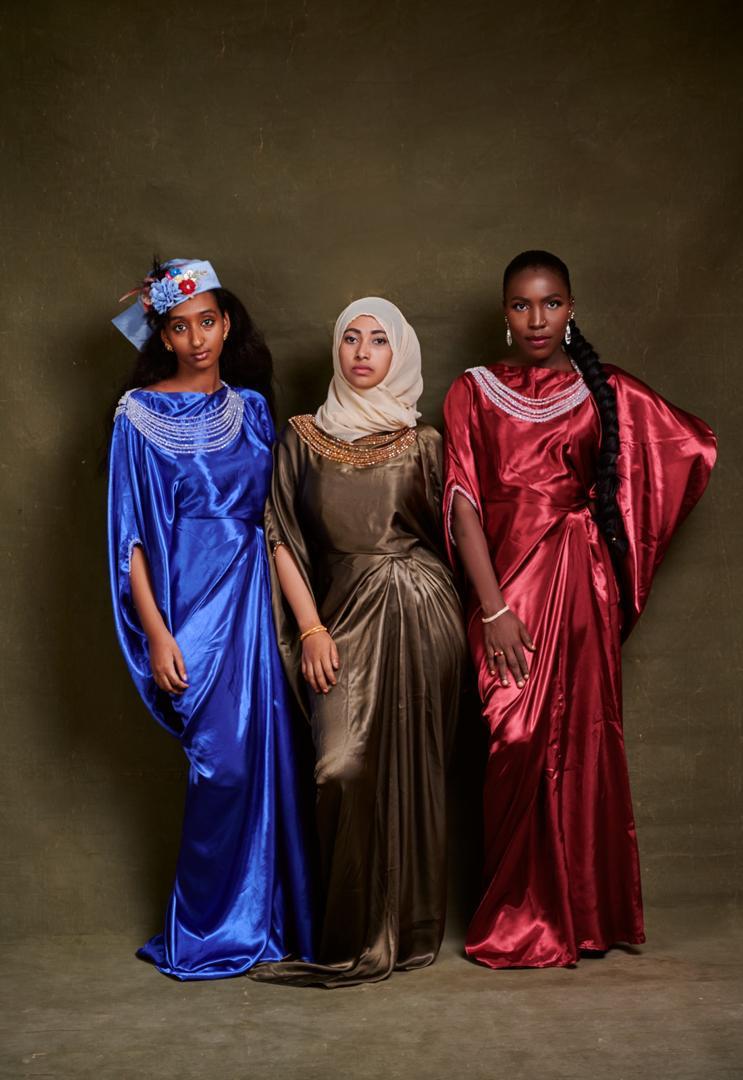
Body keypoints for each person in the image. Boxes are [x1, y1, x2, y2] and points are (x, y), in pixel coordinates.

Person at [444, 250, 716, 969]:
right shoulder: (471, 391)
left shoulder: (604, 389)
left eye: (551, 303)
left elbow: (686, 446)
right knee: (514, 736)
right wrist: (493, 609)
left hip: (580, 586)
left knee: (582, 745)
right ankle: (515, 916)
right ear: (504, 315)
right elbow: (462, 504)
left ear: (571, 309)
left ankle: (580, 917)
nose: (537, 318)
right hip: (505, 589)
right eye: (522, 305)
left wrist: (598, 527)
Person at [251, 297, 465, 988]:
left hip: (422, 616)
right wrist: (311, 628)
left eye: (378, 340)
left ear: (399, 353)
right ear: (336, 349)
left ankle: (409, 929)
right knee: (339, 767)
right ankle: (348, 935)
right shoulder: (301, 437)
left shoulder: (423, 441)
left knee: (412, 772)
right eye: (351, 337)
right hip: (340, 617)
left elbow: (458, 536)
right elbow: (279, 534)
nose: (363, 351)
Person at [107, 258, 312, 979]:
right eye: (178, 327)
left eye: (207, 322)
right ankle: (204, 932)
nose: (195, 339)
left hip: (257, 605)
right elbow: (130, 541)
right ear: (160, 335)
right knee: (219, 768)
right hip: (191, 608)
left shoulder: (252, 409)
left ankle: (266, 923)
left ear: (227, 325)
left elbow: (275, 519)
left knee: (271, 764)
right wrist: (159, 633)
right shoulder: (136, 417)